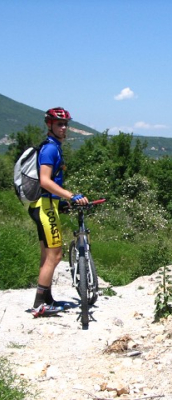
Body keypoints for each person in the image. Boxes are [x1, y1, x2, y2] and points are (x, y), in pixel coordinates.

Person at [29, 107, 88, 317]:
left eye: (65, 124)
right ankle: (39, 304)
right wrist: (70, 196)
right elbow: (45, 181)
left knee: (47, 255)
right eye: (59, 124)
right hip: (44, 207)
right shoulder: (50, 149)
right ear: (49, 125)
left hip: (47, 204)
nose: (63, 128)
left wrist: (60, 202)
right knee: (54, 256)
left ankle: (46, 299)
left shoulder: (53, 146)